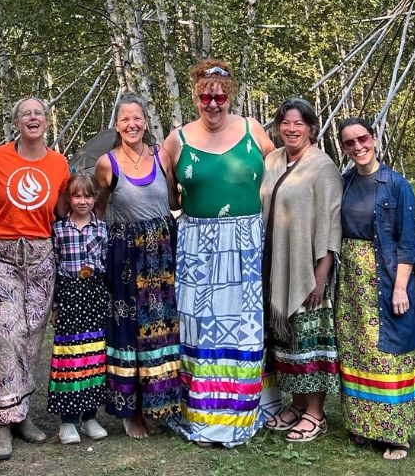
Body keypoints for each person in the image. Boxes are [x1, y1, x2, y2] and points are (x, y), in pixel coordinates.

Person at [161, 59, 277, 447]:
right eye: (206, 98)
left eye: (220, 97)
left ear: (230, 97)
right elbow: (167, 195)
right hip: (197, 246)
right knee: (197, 325)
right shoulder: (176, 140)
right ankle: (201, 413)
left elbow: (282, 173)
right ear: (195, 98)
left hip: (246, 244)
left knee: (244, 328)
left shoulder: (252, 130)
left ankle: (241, 413)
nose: (213, 104)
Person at [0, 96, 70, 461]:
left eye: (38, 113)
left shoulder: (58, 163)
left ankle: (22, 415)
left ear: (46, 122)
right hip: (1, 254)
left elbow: (62, 210)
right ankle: (1, 423)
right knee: (7, 332)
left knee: (32, 335)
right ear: (16, 122)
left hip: (40, 256)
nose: (32, 117)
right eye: (25, 113)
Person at [336, 117, 415, 460]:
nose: (358, 146)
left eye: (362, 139)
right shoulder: (344, 182)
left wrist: (400, 288)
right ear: (344, 147)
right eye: (349, 142)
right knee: (356, 348)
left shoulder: (396, 185)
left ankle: (396, 435)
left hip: (385, 276)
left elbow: (407, 243)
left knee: (389, 352)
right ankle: (363, 425)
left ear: (373, 138)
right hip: (351, 282)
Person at [94, 93, 181, 439]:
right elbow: (98, 211)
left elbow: (174, 200)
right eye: (125, 119)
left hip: (163, 250)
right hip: (126, 254)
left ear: (145, 121)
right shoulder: (107, 163)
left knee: (161, 326)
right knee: (129, 328)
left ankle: (160, 404)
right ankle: (130, 412)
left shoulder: (162, 156)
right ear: (117, 125)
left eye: (137, 118)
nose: (132, 124)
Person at [260, 99, 342, 442]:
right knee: (287, 340)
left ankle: (315, 413)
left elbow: (331, 223)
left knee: (309, 340)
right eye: (285, 122)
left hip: (308, 267)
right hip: (277, 264)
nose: (291, 129)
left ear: (310, 128)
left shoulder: (322, 166)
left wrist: (320, 276)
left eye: (299, 123)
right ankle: (295, 404)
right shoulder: (273, 160)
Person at [48, 172, 109, 445]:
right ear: (68, 198)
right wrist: (56, 305)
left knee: (93, 356)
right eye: (76, 196)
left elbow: (105, 266)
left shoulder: (102, 229)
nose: (82, 201)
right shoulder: (59, 229)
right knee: (70, 357)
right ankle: (68, 421)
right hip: (70, 296)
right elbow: (54, 269)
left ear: (95, 198)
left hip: (94, 295)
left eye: (87, 196)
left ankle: (89, 417)